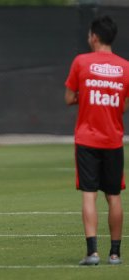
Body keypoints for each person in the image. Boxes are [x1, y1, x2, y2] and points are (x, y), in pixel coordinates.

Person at [65, 15, 129, 265]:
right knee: (113, 196)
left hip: (87, 139)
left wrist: (89, 93)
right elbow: (123, 106)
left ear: (94, 36)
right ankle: (115, 253)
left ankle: (92, 252)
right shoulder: (125, 67)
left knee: (89, 194)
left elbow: (69, 97)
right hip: (113, 139)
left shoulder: (81, 62)